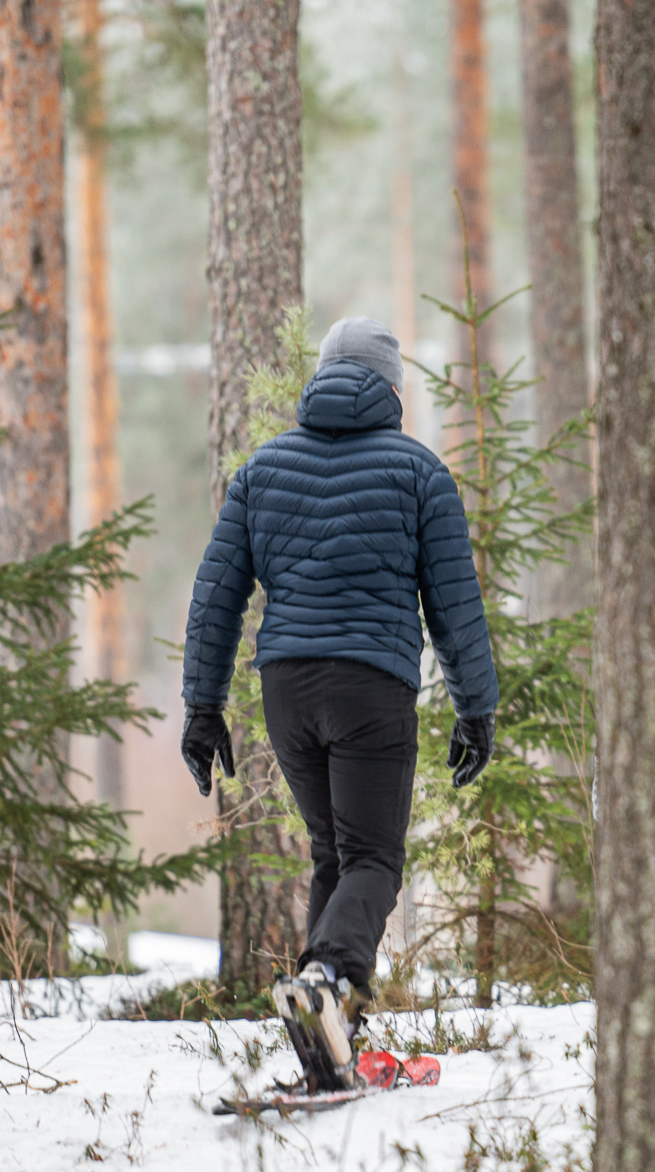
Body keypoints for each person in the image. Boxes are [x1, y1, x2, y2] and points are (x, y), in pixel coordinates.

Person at [180, 317, 498, 1091]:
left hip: (288, 688)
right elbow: (454, 606)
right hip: (370, 688)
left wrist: (202, 706)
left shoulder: (262, 471)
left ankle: (333, 1033)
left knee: (336, 855)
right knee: (375, 858)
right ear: (392, 390)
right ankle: (327, 976)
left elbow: (216, 596)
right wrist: (475, 707)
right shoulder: (420, 473)